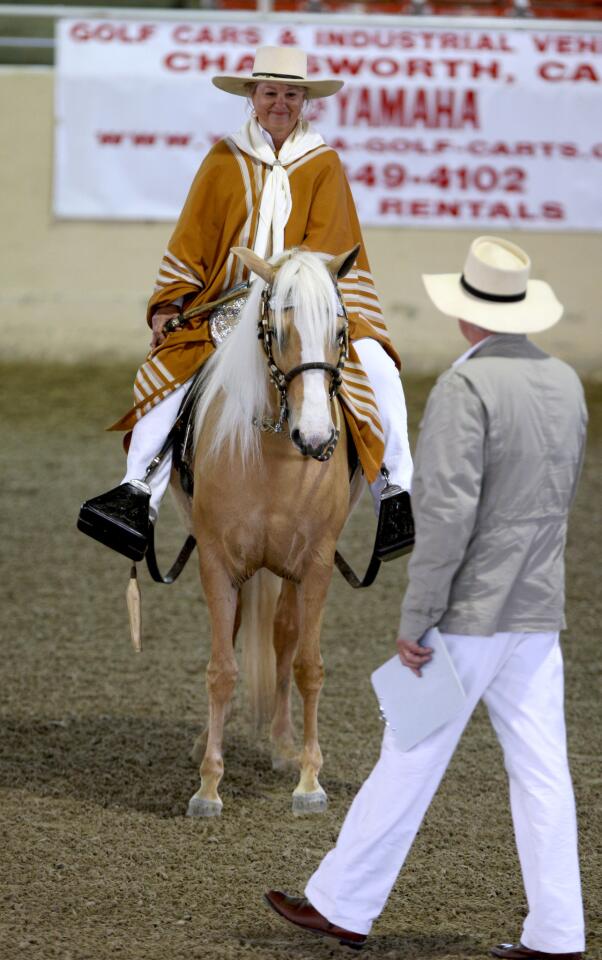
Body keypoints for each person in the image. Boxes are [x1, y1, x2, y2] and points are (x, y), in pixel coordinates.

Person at [264, 235, 588, 960]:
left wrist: (418, 620)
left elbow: (447, 520)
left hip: (471, 613)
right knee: (542, 771)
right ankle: (558, 932)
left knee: (408, 751)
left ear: (467, 315)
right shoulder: (566, 383)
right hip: (536, 612)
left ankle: (342, 904)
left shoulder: (465, 389)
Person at [78, 46, 413, 558]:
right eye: (271, 92)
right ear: (251, 97)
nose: (280, 102)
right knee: (171, 372)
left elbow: (336, 244)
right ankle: (137, 490)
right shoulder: (222, 159)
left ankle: (393, 492)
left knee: (380, 371)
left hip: (307, 304)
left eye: (292, 94)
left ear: (306, 101)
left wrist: (300, 287)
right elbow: (193, 236)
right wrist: (170, 304)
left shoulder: (324, 164)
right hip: (229, 300)